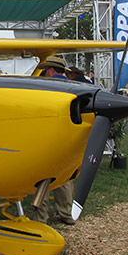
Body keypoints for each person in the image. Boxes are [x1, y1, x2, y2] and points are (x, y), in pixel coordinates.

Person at [33, 55, 76, 226]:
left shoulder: (46, 86)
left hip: (48, 138)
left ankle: (40, 218)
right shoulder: (74, 85)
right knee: (64, 178)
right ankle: (66, 213)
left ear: (50, 70)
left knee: (42, 177)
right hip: (70, 138)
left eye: (45, 70)